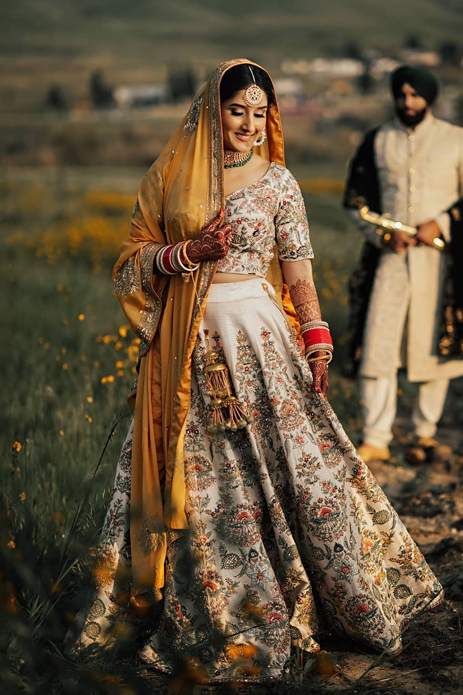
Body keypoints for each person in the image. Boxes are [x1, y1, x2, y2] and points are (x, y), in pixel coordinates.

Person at [74, 60, 443, 684]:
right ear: (211, 111)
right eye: (235, 110)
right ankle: (215, 610)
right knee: (205, 486)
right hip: (186, 349)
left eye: (257, 111)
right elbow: (131, 262)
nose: (247, 123)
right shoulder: (171, 176)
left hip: (264, 342)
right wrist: (187, 252)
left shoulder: (280, 183)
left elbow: (297, 271)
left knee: (302, 471)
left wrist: (317, 340)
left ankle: (331, 597)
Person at [344, 65, 463, 464]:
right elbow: (355, 200)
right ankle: (376, 437)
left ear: (430, 96)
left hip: (439, 262)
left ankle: (424, 434)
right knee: (378, 344)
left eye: (415, 95)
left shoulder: (455, 139)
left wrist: (441, 223)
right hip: (389, 260)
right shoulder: (377, 140)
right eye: (401, 94)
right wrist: (382, 235)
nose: (407, 102)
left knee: (432, 348)